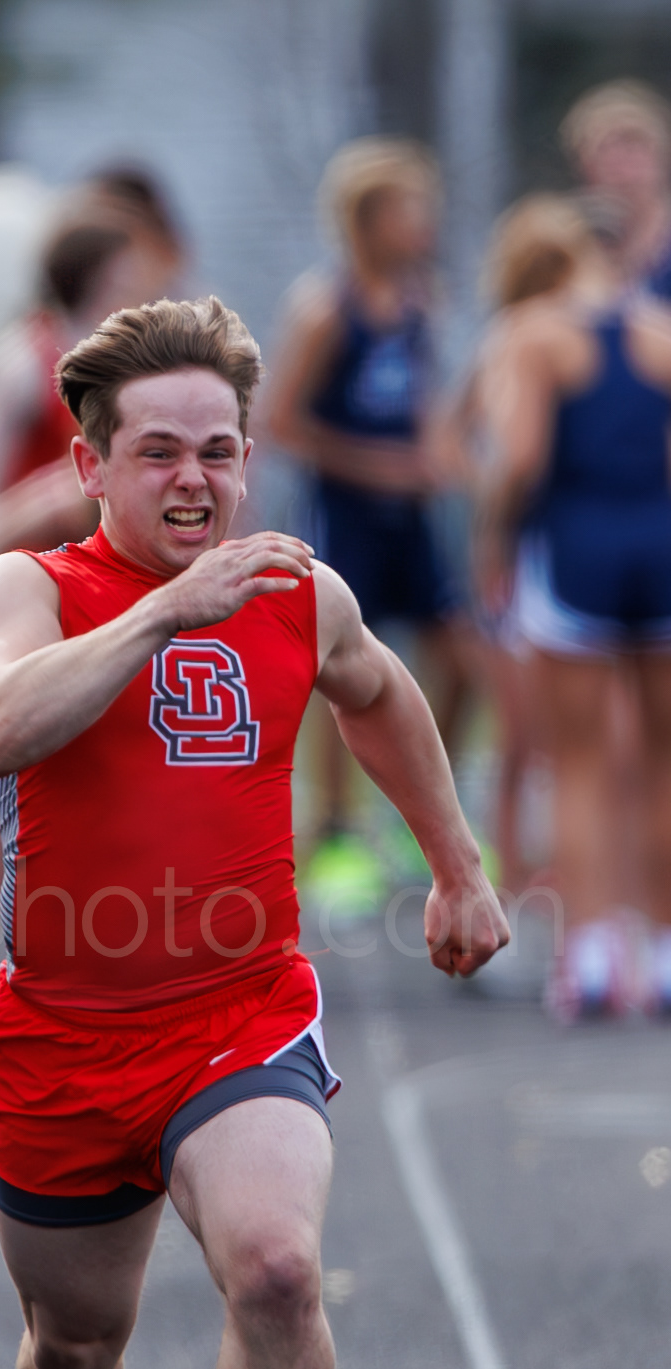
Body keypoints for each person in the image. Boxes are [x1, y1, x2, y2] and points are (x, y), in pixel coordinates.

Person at [0, 297, 505, 1369]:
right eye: (158, 452)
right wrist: (159, 614)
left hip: (238, 1014)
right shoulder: (30, 587)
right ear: (92, 464)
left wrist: (457, 866)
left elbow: (377, 692)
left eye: (218, 450)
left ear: (249, 458)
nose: (193, 479)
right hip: (62, 1037)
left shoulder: (295, 591)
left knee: (274, 1271)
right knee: (75, 1348)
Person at [0, 201, 183, 1029]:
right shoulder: (23, 360)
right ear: (94, 277)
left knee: (113, 771)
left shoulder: (131, 363)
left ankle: (108, 947)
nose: (145, 285)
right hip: (28, 584)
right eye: (129, 272)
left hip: (102, 586)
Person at [473, 205, 671, 1018]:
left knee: (579, 762)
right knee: (661, 760)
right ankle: (664, 954)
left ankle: (590, 957)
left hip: (575, 549)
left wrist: (491, 537)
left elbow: (522, 455)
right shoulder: (660, 330)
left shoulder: (533, 331)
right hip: (659, 545)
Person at [267, 138, 472, 910]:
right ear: (368, 219)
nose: (424, 223)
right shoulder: (326, 309)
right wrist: (376, 465)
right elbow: (281, 421)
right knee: (341, 671)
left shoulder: (422, 302)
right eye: (408, 208)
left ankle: (420, 813)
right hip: (346, 514)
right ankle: (337, 833)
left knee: (462, 656)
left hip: (410, 519)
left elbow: (422, 401)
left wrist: (442, 452)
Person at [434, 194, 588, 893]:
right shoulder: (509, 339)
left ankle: (559, 854)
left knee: (568, 722)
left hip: (566, 540)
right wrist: (488, 489)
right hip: (517, 544)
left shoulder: (581, 339)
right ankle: (508, 862)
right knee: (521, 724)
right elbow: (450, 436)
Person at [560, 81, 671, 300]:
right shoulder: (567, 238)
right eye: (606, 151)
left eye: (634, 147)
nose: (622, 165)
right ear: (585, 165)